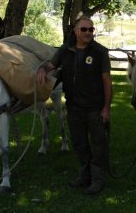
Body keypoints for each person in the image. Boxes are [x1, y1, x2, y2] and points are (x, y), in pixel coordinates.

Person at [37, 14, 112, 195]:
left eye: (91, 29)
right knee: (79, 145)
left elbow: (107, 82)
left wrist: (106, 108)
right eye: (84, 29)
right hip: (73, 107)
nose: (88, 32)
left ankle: (97, 180)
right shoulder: (65, 50)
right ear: (75, 31)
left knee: (98, 145)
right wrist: (41, 69)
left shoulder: (100, 52)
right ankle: (84, 176)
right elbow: (51, 65)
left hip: (95, 108)